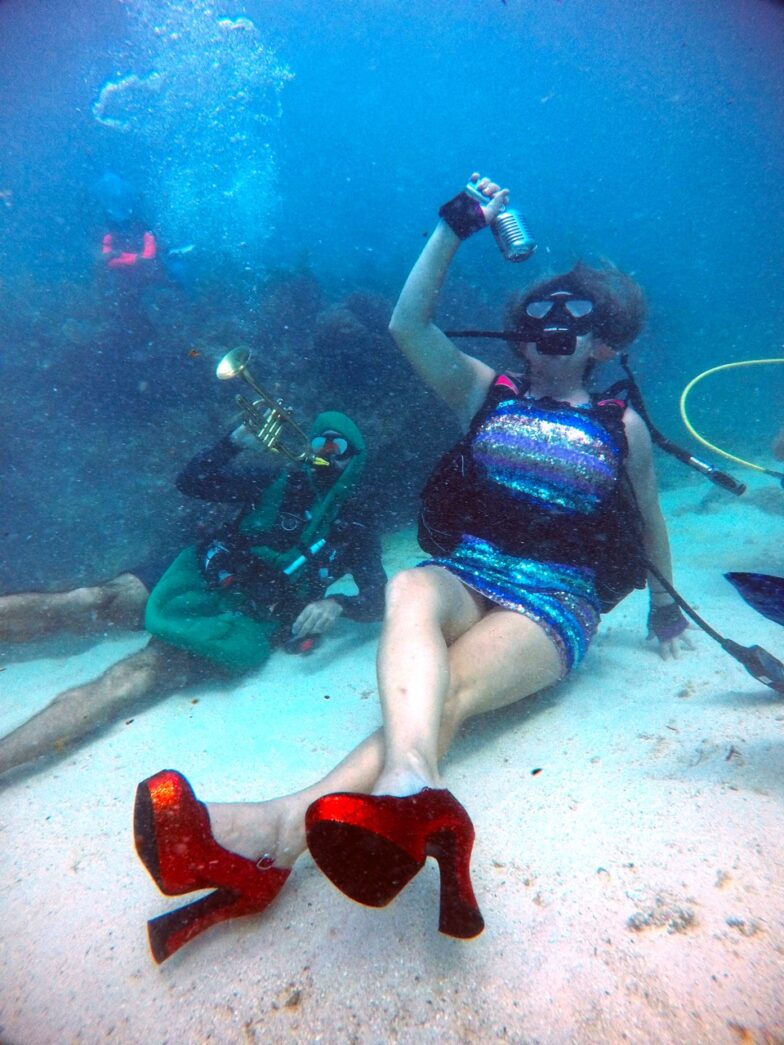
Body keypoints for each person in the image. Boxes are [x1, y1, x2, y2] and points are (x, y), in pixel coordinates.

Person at [131, 173, 693, 964]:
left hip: (556, 599)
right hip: (469, 571)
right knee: (408, 584)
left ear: (608, 342)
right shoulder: (483, 391)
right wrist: (456, 226)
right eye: (538, 314)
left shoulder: (621, 426)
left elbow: (651, 517)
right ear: (518, 330)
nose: (551, 328)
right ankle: (407, 790)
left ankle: (280, 829)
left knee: (446, 691)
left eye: (577, 318)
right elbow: (406, 323)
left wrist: (663, 610)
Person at [0, 412, 385, 779]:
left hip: (246, 616)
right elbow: (192, 481)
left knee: (133, 675)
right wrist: (232, 443)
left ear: (357, 458)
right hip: (198, 571)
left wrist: (337, 603)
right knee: (87, 600)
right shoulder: (274, 479)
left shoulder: (357, 525)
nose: (329, 455)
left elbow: (377, 597)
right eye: (322, 443)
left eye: (341, 449)